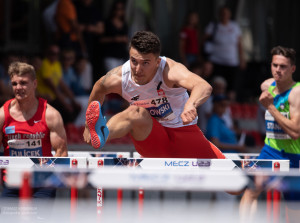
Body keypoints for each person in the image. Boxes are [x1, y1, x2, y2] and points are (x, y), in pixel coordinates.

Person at [83, 30, 225, 159]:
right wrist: (88, 127)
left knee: (237, 181)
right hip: (152, 138)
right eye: (134, 61)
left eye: (145, 63)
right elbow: (98, 88)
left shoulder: (169, 71)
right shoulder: (119, 77)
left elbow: (203, 86)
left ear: (157, 62)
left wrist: (190, 104)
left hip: (184, 134)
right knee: (135, 112)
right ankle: (102, 134)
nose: (138, 69)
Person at [239, 46, 300, 221]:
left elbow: (295, 132)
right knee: (251, 190)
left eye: (283, 67)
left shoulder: (296, 93)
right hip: (270, 150)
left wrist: (271, 107)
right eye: (275, 65)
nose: (278, 70)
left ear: (292, 69)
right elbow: (265, 84)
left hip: (293, 155)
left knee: (293, 208)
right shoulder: (267, 86)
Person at [0, 61, 68, 198]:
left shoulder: (50, 114)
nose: (18, 87)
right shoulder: (2, 115)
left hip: (42, 183)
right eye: (14, 84)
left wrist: (48, 177)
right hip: (12, 181)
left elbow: (62, 153)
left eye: (23, 83)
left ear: (35, 84)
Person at [204, 6, 246, 98]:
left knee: (231, 88)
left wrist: (242, 59)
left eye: (226, 14)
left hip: (232, 62)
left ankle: (229, 108)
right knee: (216, 86)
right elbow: (204, 40)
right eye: (222, 13)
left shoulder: (234, 26)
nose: (224, 16)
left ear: (229, 15)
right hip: (216, 61)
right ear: (219, 15)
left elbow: (239, 44)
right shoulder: (214, 26)